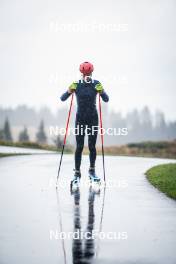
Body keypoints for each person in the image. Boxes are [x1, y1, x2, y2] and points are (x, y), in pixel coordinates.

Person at [60, 61, 109, 184]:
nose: (87, 75)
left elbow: (106, 99)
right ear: (81, 73)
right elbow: (62, 98)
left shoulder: (96, 84)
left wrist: (102, 91)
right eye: (85, 73)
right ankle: (77, 172)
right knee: (80, 147)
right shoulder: (76, 84)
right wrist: (69, 90)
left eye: (89, 73)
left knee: (92, 146)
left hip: (93, 119)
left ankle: (92, 171)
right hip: (80, 119)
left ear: (92, 72)